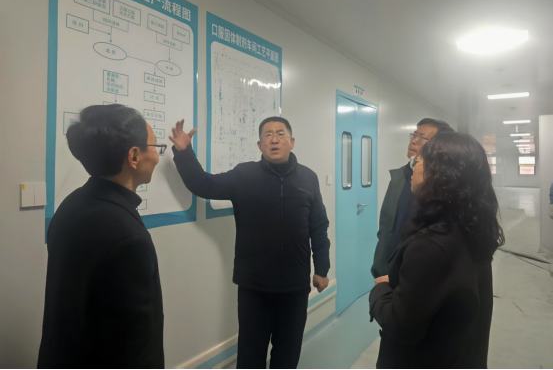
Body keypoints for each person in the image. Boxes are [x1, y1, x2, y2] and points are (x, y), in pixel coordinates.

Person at [169, 117, 331, 370]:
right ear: (259, 145)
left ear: (292, 142)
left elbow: (318, 226)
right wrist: (184, 152)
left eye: (280, 134)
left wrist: (322, 268)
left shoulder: (308, 178)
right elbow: (204, 184)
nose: (274, 139)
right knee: (250, 355)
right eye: (268, 135)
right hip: (254, 286)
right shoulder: (244, 175)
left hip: (295, 285)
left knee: (287, 354)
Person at [38, 105, 167, 369]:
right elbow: (136, 347)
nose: (156, 156)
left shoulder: (71, 205)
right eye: (155, 146)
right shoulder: (129, 237)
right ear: (134, 156)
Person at [370, 132, 505, 369]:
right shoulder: (471, 228)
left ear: (439, 174)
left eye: (419, 161)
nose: (413, 168)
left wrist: (380, 289)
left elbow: (401, 325)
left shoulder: (430, 246)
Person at [371, 118, 454, 279]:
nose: (414, 141)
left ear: (438, 147)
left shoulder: (442, 187)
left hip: (416, 272)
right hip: (385, 267)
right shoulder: (399, 177)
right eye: (414, 135)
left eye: (422, 138)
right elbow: (386, 223)